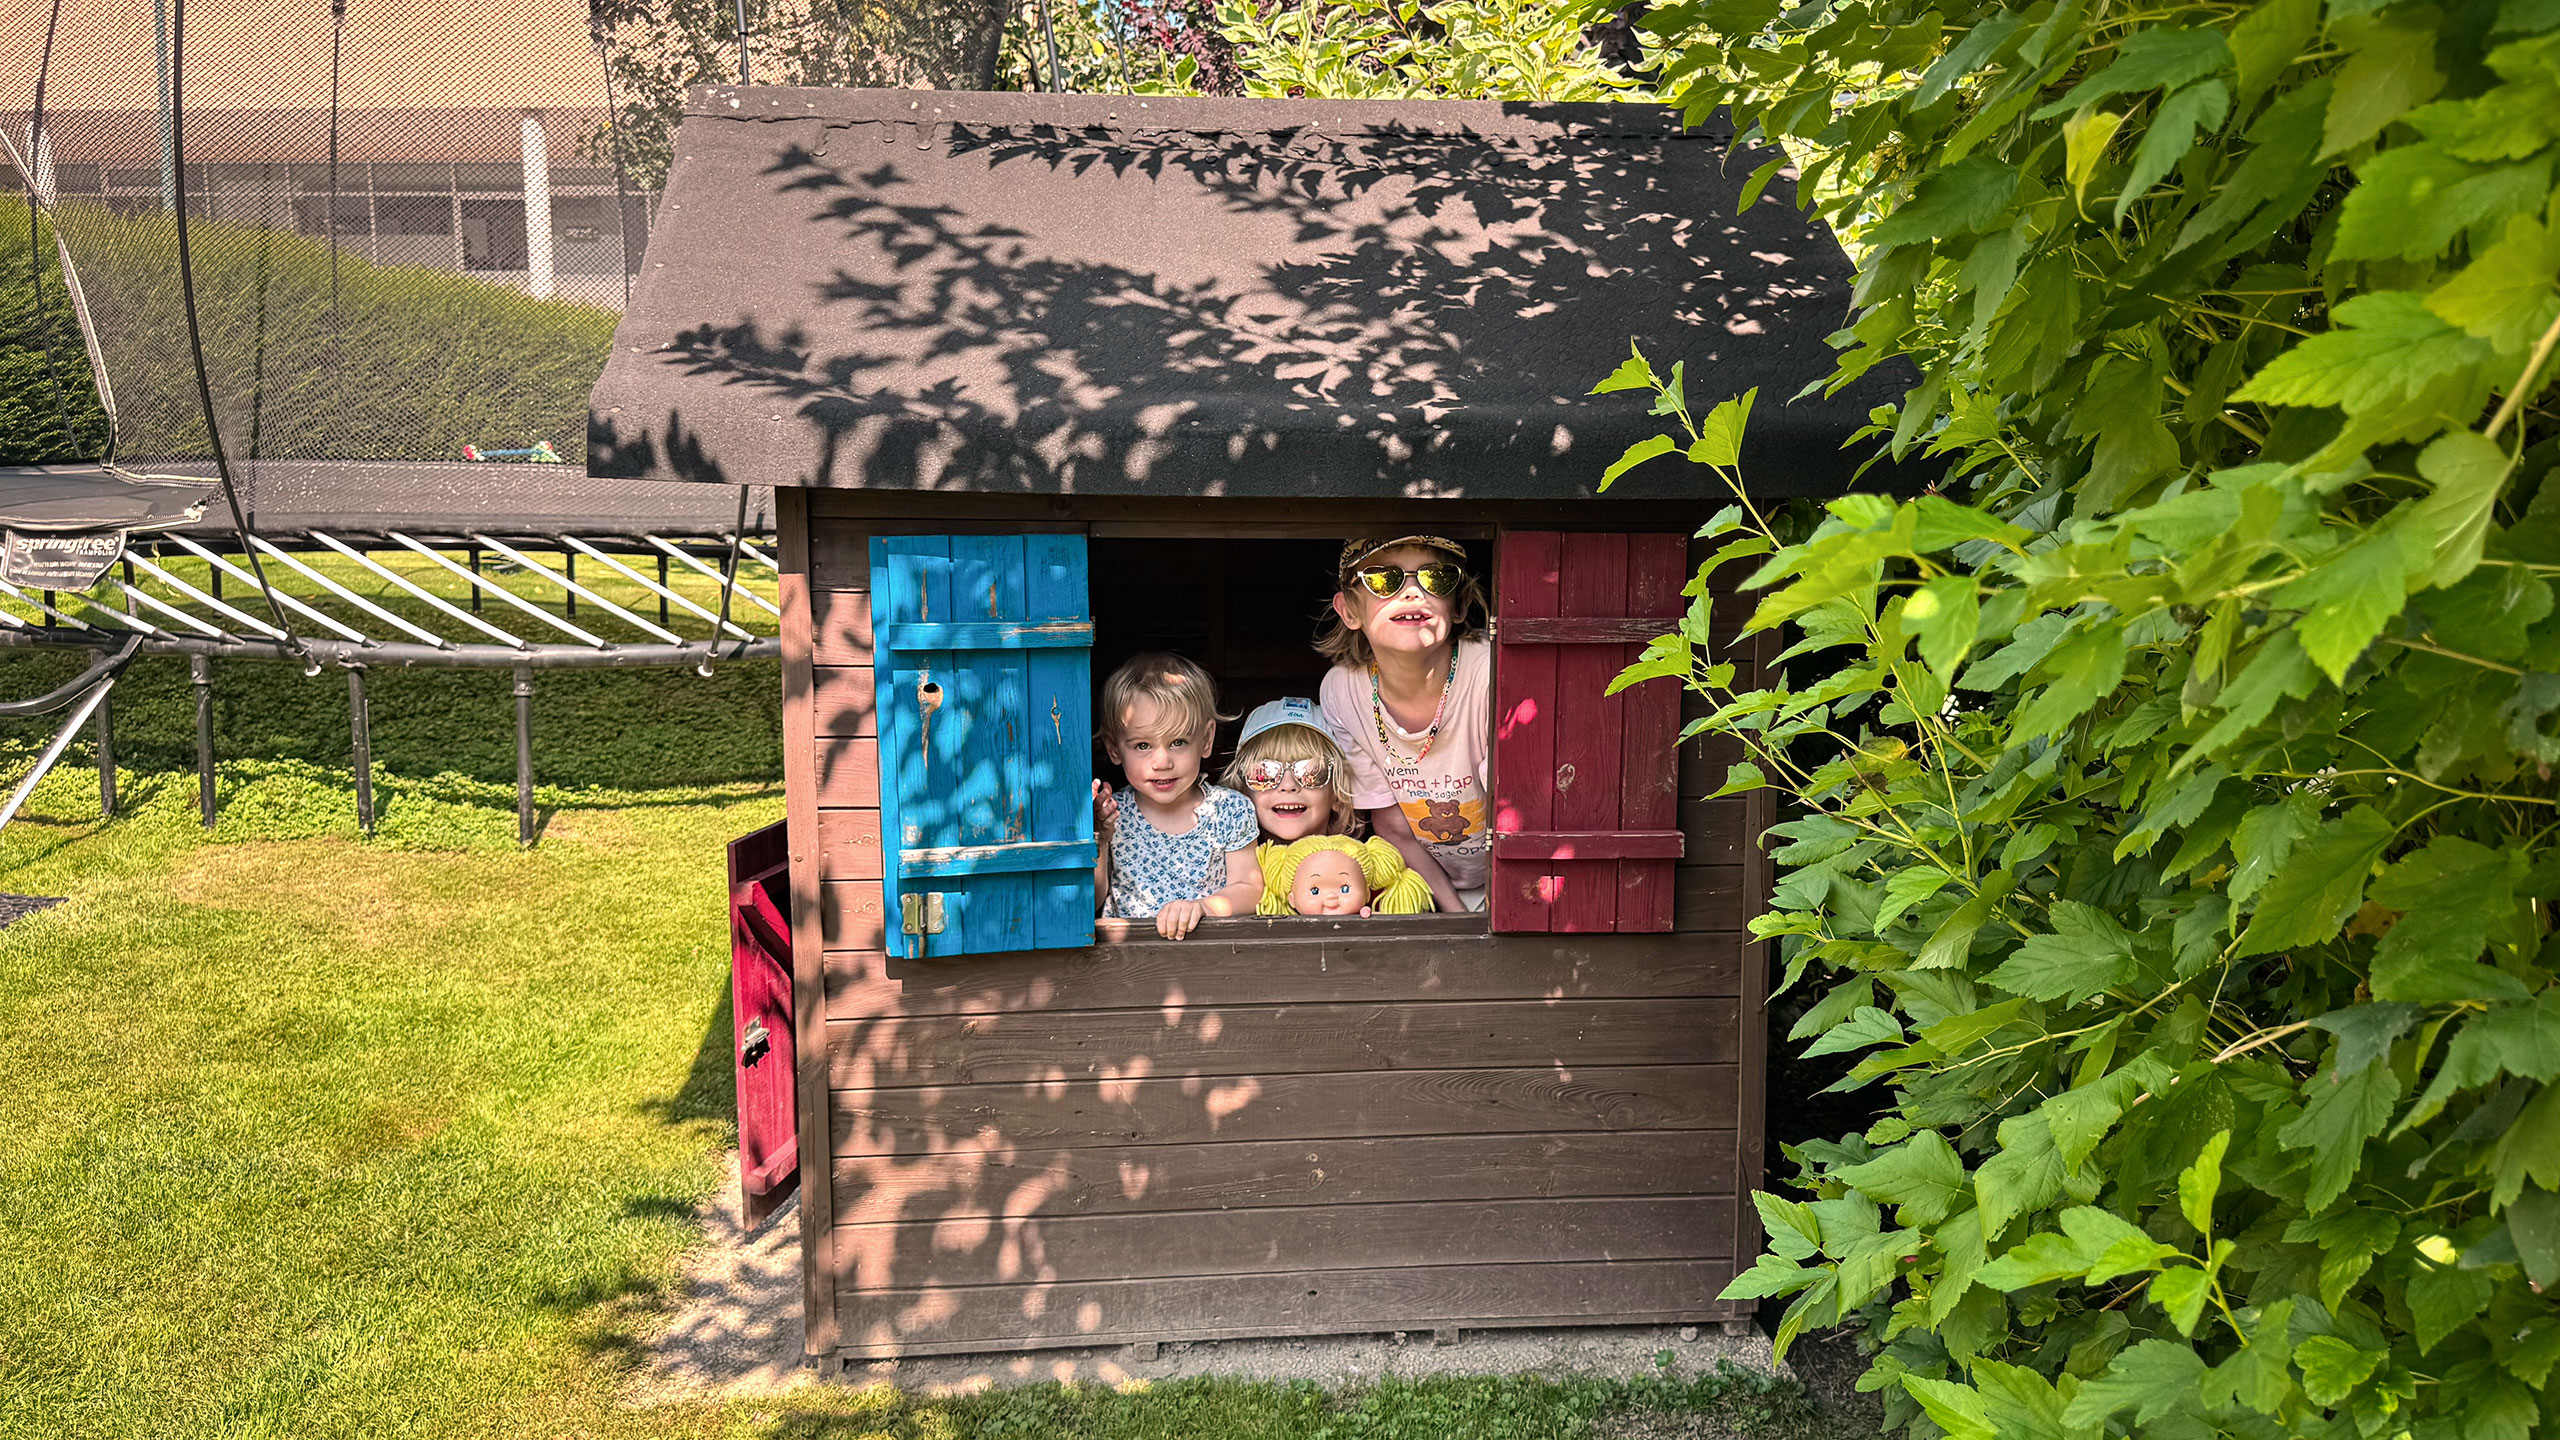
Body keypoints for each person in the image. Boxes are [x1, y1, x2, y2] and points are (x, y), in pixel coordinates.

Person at [1317, 536, 1491, 913]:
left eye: (1437, 578)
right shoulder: (1343, 692)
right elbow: (1394, 828)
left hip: (1513, 881)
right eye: (1383, 579)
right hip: (1424, 886)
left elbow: (1516, 811)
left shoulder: (1489, 673)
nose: (1413, 592)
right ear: (1349, 611)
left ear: (1458, 605)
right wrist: (1455, 916)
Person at [1092, 652, 1262, 939]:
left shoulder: (1230, 809)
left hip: (1212, 962)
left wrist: (1201, 907)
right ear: (1113, 748)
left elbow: (1250, 888)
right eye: (1143, 745)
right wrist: (1101, 839)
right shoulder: (1111, 814)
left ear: (1206, 740)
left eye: (1178, 742)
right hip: (1126, 971)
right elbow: (1091, 900)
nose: (1162, 761)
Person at [1220, 696, 1365, 845]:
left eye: (1310, 771)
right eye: (1264, 773)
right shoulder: (1224, 867)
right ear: (1243, 791)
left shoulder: (1364, 865)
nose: (1288, 785)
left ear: (1337, 794)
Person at [1255, 833, 1436, 917]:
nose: (1332, 896)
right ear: (1292, 900)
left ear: (1366, 893)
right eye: (1315, 890)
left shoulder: (1365, 914)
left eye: (1344, 888)